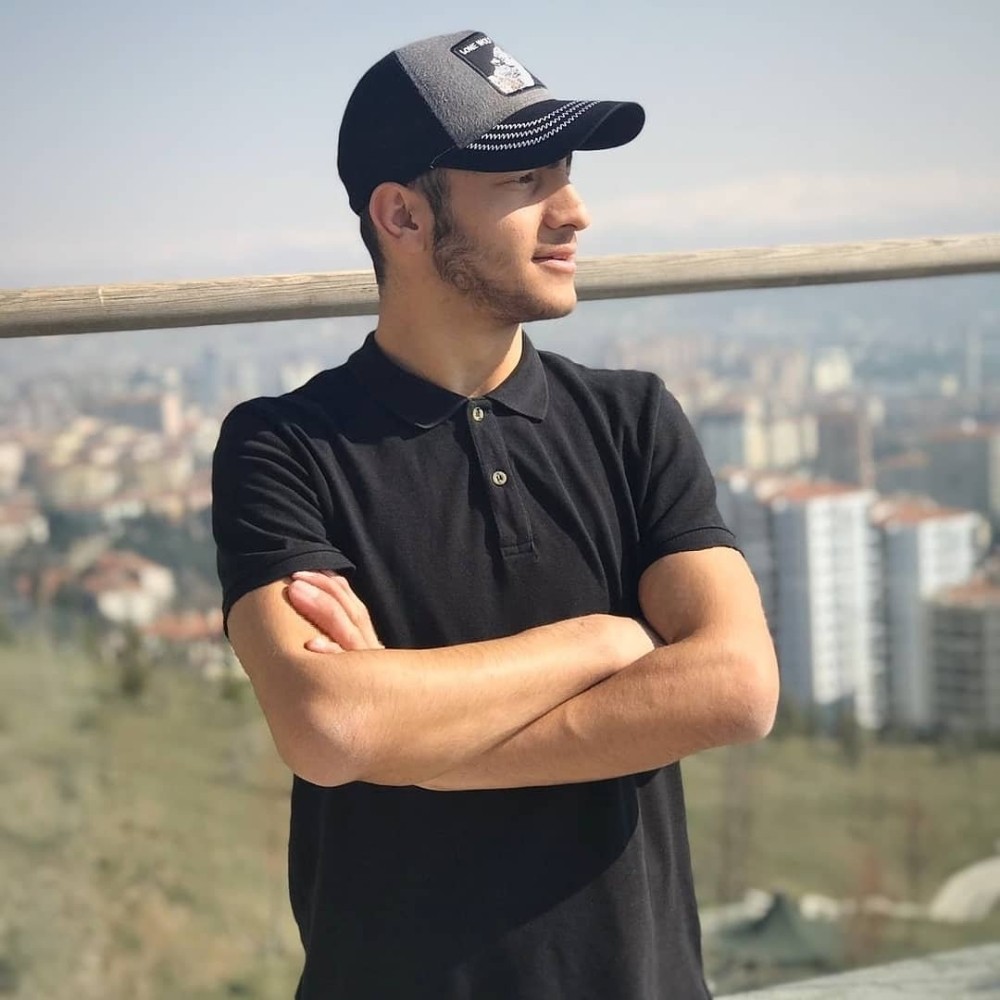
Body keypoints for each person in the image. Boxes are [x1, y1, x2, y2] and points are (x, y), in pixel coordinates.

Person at [212, 28, 778, 1000]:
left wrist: (420, 747)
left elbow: (737, 687)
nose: (575, 211)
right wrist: (607, 641)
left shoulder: (633, 418)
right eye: (524, 179)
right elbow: (331, 723)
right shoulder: (283, 445)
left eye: (566, 174)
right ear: (401, 214)